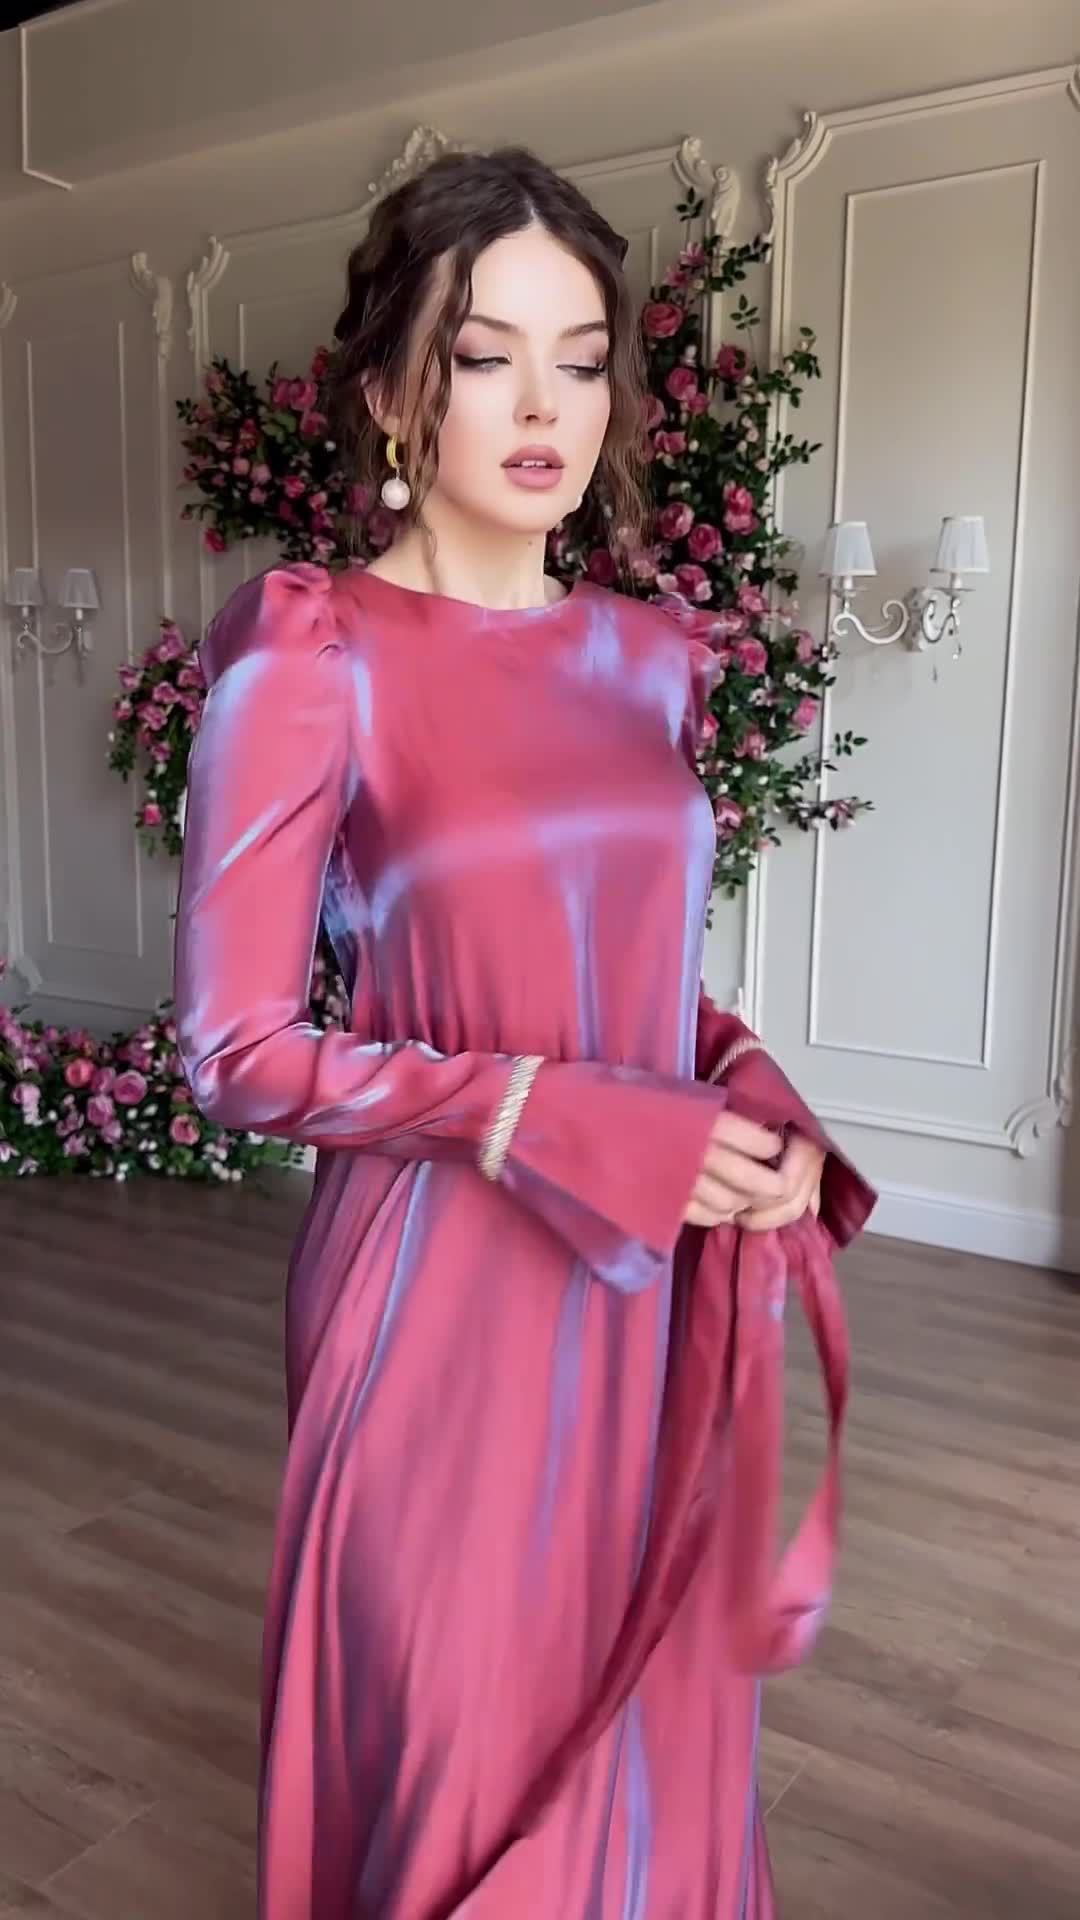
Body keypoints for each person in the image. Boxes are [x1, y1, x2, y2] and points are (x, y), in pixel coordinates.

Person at [173, 146, 874, 1920]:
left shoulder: (648, 657)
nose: (546, 405)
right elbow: (236, 1049)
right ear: (392, 393)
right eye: (487, 357)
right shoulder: (313, 651)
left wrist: (748, 1095)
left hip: (646, 1286)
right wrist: (550, 1117)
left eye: (581, 358)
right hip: (437, 1302)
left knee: (647, 1733)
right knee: (465, 1736)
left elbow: (640, 979)